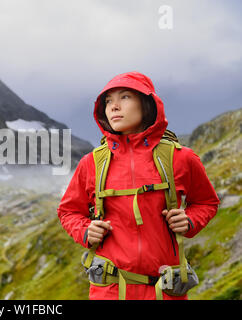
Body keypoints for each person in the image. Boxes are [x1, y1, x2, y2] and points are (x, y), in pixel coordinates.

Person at [57, 71, 220, 300]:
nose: (114, 106)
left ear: (147, 104)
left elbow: (207, 202)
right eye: (108, 101)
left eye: (124, 97)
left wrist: (190, 220)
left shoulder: (181, 158)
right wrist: (85, 230)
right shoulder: (91, 163)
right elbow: (68, 211)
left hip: (165, 291)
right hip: (109, 290)